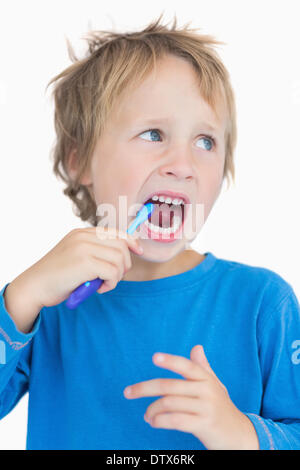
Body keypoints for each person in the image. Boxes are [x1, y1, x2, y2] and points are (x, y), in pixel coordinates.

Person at [0, 13, 299, 450]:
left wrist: (239, 433)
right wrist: (22, 297)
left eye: (205, 141)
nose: (183, 164)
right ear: (78, 161)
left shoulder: (261, 304)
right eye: (154, 133)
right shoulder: (50, 305)